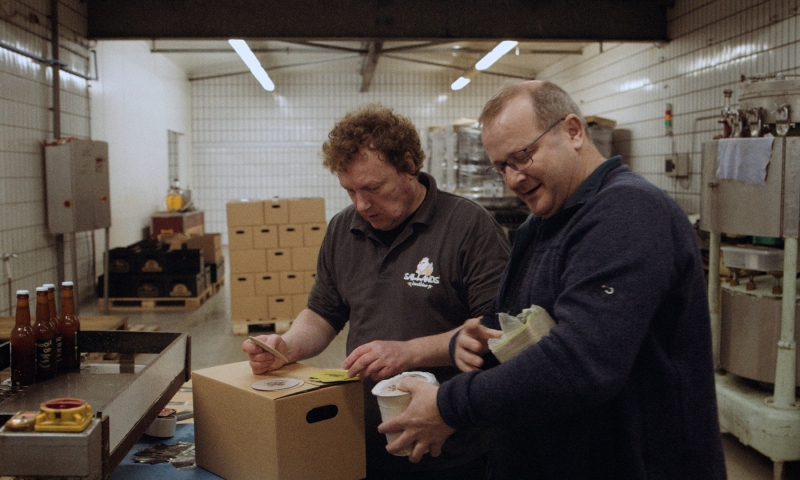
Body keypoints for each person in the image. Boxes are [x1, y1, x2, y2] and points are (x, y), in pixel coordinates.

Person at [378, 81, 727, 479]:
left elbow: (581, 361)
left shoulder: (628, 212)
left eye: (522, 157)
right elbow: (508, 322)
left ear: (573, 131)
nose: (512, 179)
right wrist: (478, 339)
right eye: (501, 166)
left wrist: (448, 404)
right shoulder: (541, 225)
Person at [241, 103, 511, 479]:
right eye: (349, 190)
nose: (362, 204)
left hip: (449, 441)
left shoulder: (468, 226)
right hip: (365, 435)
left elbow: (494, 329)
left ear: (408, 165)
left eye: (372, 188)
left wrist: (408, 352)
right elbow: (323, 312)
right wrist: (289, 346)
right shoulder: (343, 228)